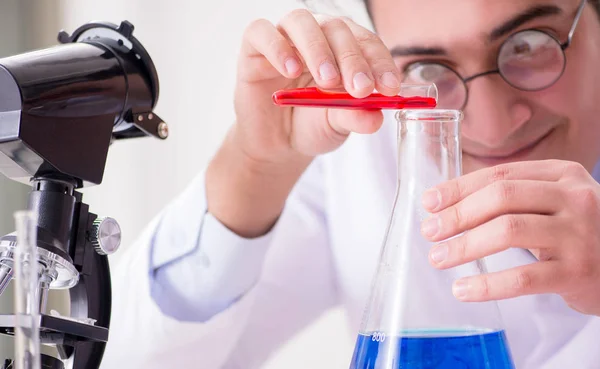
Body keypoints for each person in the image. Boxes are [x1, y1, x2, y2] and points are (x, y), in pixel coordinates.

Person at [101, 0, 600, 368]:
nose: (493, 124)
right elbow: (134, 358)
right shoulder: (363, 147)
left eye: (529, 45)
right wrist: (256, 165)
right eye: (428, 68)